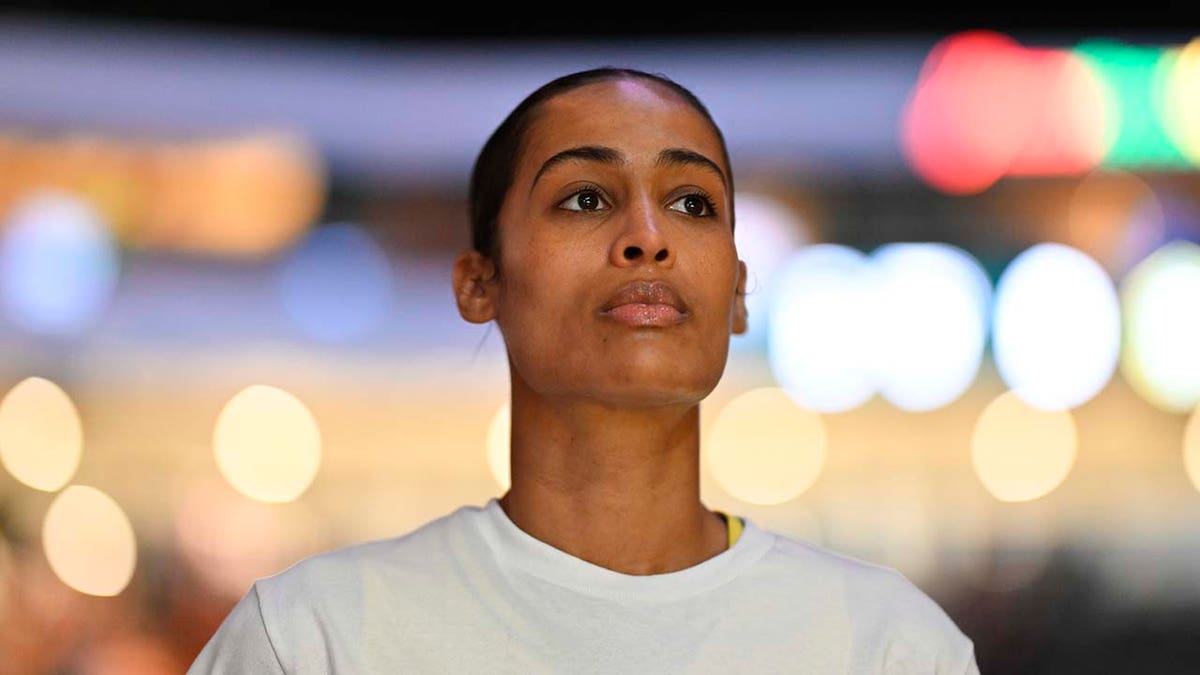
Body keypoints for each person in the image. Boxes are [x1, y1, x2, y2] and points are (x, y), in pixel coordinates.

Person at [188, 67, 979, 674]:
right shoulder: (313, 638)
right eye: (586, 198)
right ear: (478, 282)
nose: (647, 236)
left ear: (738, 293)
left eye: (693, 203)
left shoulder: (889, 646)